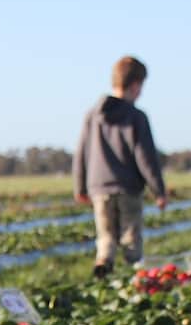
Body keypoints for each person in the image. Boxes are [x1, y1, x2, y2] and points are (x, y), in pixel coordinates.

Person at [72, 56, 168, 279]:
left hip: (99, 188)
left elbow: (82, 153)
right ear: (135, 85)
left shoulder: (93, 115)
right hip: (128, 188)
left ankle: (103, 266)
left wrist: (80, 187)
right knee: (130, 236)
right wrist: (159, 191)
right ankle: (133, 277)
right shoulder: (136, 117)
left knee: (105, 236)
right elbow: (146, 158)